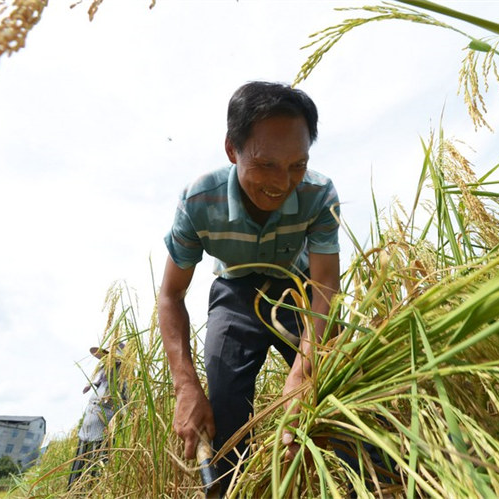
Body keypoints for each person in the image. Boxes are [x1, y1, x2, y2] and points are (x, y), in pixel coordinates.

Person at [159, 81, 341, 494]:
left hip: (298, 293)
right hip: (234, 292)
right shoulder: (199, 202)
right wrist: (185, 384)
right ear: (231, 150)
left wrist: (304, 370)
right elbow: (171, 296)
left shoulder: (318, 194)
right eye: (266, 165)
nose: (283, 182)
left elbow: (325, 283)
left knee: (337, 384)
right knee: (223, 406)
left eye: (297, 164)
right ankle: (228, 487)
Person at [68, 342, 126, 489]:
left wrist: (114, 423)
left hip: (101, 433)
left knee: (94, 471)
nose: (105, 361)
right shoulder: (102, 380)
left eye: (109, 358)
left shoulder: (122, 380)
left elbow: (127, 407)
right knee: (78, 469)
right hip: (86, 430)